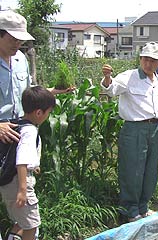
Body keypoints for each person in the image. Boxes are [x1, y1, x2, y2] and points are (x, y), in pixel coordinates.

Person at [100, 42, 158, 222]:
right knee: (132, 170)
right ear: (140, 59)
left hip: (154, 129)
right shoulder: (129, 77)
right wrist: (107, 77)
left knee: (150, 170)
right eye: (145, 59)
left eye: (153, 60)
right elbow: (110, 89)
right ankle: (129, 210)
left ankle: (143, 206)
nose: (149, 64)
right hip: (134, 129)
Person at [0, 10, 73, 144]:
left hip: (18, 130)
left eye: (20, 40)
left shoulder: (20, 60)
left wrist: (53, 91)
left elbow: (27, 91)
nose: (18, 44)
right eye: (13, 39)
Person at [0, 86, 56, 240]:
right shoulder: (30, 131)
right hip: (19, 182)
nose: (48, 115)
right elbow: (22, 160)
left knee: (21, 221)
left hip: (8, 182)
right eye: (48, 112)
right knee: (32, 225)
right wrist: (23, 190)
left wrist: (34, 166)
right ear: (39, 113)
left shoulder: (17, 123)